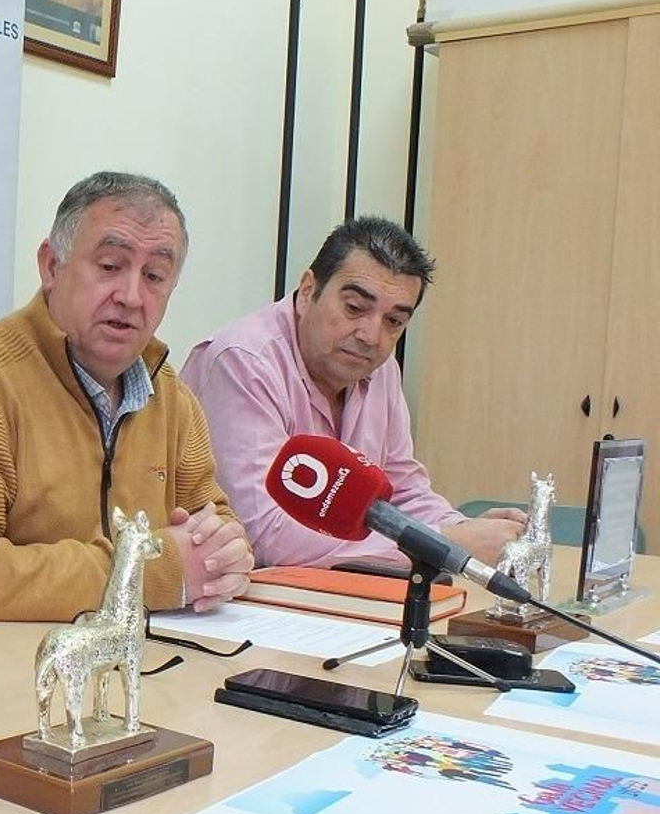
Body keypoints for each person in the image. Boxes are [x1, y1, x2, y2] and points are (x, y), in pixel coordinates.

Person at [0, 171, 252, 634]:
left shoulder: (173, 399)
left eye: (155, 276)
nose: (130, 296)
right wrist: (148, 571)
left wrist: (226, 554)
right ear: (51, 266)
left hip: (112, 666)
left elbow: (214, 525)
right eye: (109, 266)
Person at [181, 215, 525, 569]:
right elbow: (264, 533)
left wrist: (464, 530)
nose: (371, 336)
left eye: (393, 322)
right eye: (355, 308)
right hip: (230, 601)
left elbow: (401, 491)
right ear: (308, 291)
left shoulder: (378, 367)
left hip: (327, 598)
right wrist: (439, 544)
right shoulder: (244, 361)